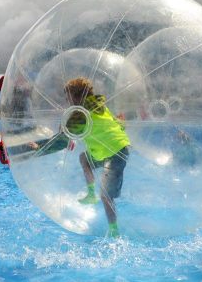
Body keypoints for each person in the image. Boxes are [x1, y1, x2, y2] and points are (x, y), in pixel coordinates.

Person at [30, 77, 130, 238]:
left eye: (68, 97)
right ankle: (91, 195)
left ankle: (114, 231)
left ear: (76, 96)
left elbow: (63, 140)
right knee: (84, 158)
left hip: (116, 152)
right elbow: (114, 123)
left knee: (105, 195)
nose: (68, 101)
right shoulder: (98, 105)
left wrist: (40, 147)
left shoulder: (81, 114)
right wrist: (121, 122)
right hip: (112, 148)